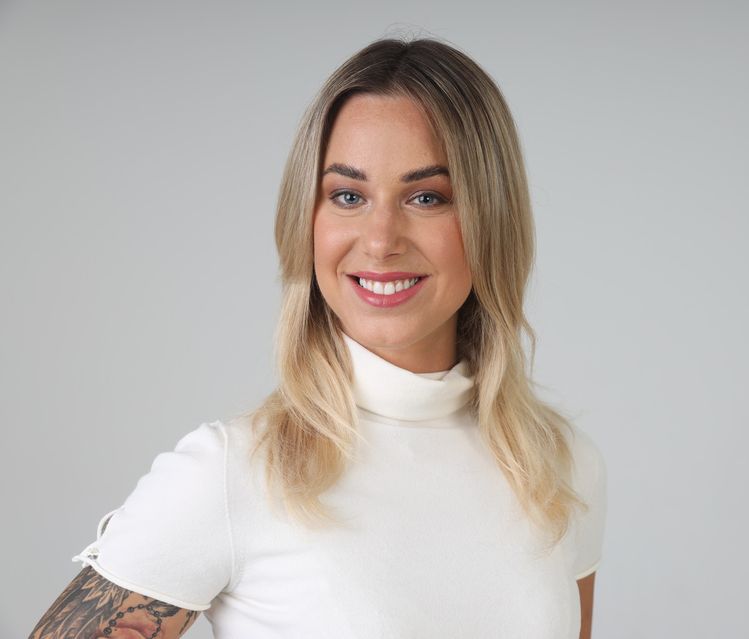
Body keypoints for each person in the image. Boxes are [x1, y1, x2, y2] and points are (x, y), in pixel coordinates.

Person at [30, 36, 607, 639]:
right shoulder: (232, 474)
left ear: (493, 219)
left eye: (427, 197)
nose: (380, 240)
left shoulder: (564, 468)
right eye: (348, 196)